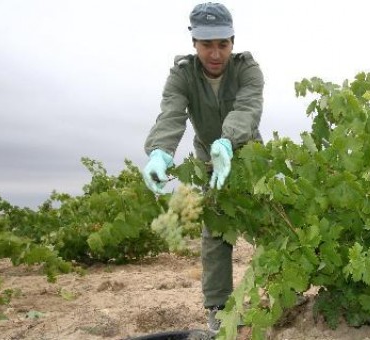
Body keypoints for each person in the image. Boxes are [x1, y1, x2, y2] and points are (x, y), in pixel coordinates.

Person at [141, 2, 264, 335]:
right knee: (215, 231)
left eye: (222, 44)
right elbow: (171, 115)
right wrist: (159, 152)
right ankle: (219, 309)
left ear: (232, 42)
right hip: (210, 161)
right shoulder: (182, 75)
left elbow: (248, 108)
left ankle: (284, 291)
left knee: (269, 223)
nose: (215, 53)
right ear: (194, 42)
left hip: (250, 154)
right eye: (207, 44)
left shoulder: (248, 70)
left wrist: (227, 140)